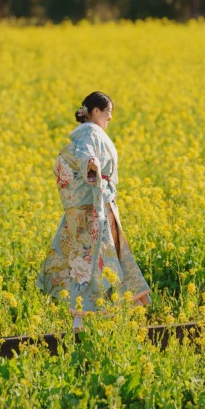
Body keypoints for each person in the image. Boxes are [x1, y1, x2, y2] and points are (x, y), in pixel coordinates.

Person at [37, 92, 150, 329]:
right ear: (96, 111)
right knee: (95, 258)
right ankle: (87, 317)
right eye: (108, 111)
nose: (110, 117)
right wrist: (91, 163)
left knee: (102, 256)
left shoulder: (92, 132)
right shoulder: (90, 132)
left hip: (100, 202)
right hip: (96, 208)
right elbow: (85, 154)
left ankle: (124, 312)